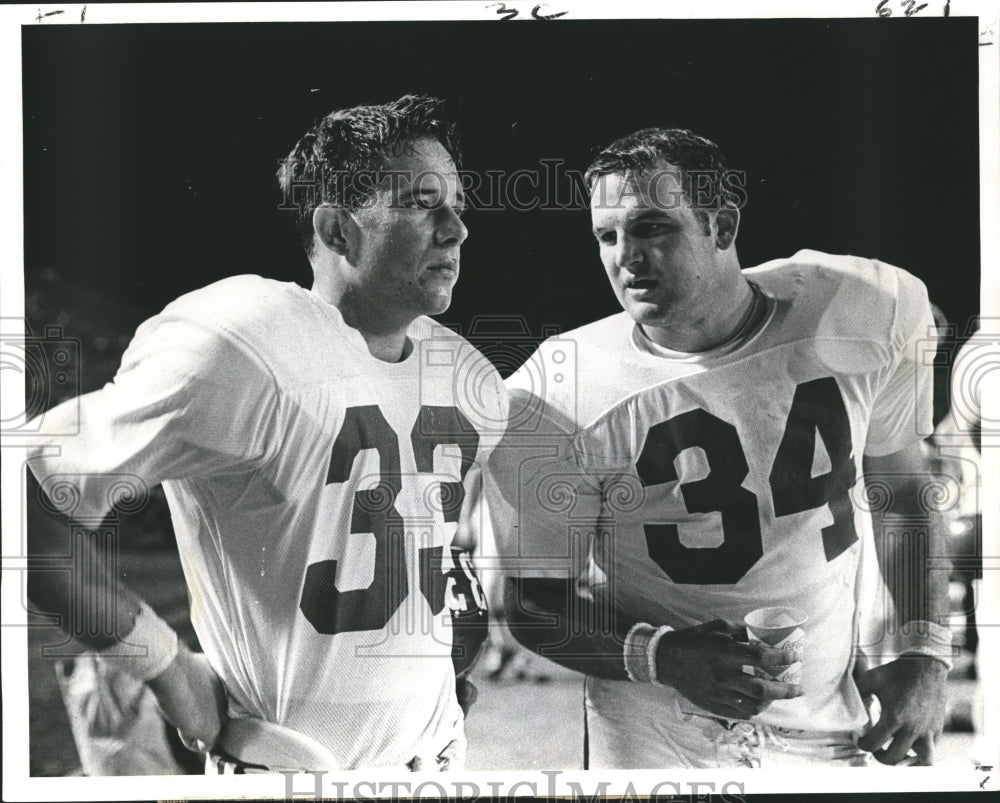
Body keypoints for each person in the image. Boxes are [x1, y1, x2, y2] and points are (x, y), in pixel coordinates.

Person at [25, 94, 506, 772]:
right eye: (423, 203)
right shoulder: (246, 342)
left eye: (458, 204)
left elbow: (418, 553)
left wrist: (433, 661)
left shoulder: (468, 376)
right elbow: (25, 500)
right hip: (286, 769)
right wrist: (166, 667)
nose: (456, 228)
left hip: (440, 761)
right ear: (338, 231)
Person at [485, 127, 952, 768]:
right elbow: (533, 603)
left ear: (722, 227)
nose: (627, 256)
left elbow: (901, 490)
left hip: (832, 713)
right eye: (607, 236)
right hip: (659, 728)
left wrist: (924, 650)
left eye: (653, 228)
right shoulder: (552, 392)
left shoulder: (866, 306)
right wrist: (664, 654)